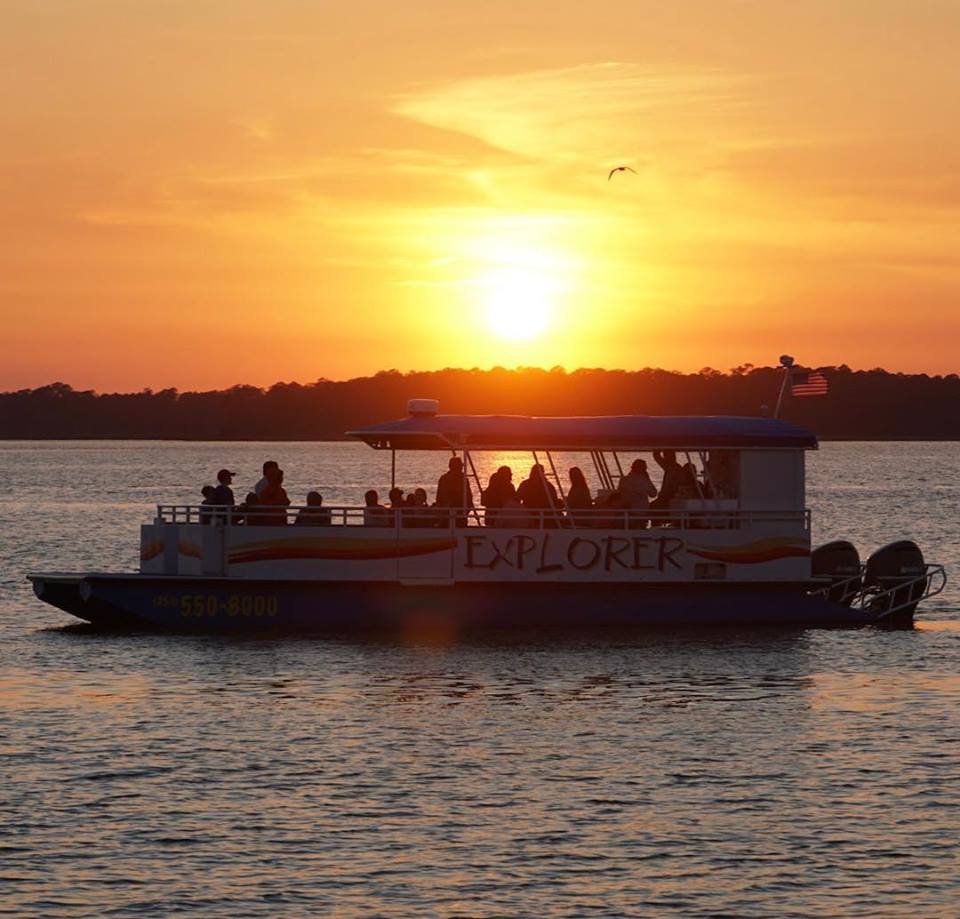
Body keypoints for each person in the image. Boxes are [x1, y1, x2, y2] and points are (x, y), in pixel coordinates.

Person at [615, 458, 658, 528]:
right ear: (643, 469)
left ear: (632, 467)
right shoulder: (644, 480)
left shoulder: (623, 480)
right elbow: (653, 494)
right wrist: (648, 478)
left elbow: (619, 493)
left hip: (625, 512)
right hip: (641, 512)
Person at [435, 457, 473, 527]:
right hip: (448, 516)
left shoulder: (444, 479)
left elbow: (469, 499)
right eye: (460, 466)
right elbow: (439, 499)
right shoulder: (444, 479)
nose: (461, 468)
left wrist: (464, 512)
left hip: (457, 516)